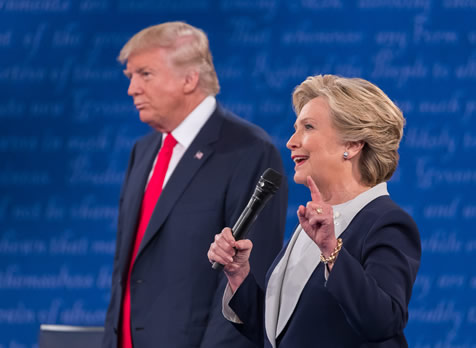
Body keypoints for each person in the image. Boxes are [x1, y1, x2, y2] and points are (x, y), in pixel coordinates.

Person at [102, 21, 288, 348]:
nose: (132, 89)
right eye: (130, 76)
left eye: (145, 74)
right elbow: (126, 273)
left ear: (190, 79)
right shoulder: (143, 152)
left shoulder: (249, 151)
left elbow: (248, 280)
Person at [208, 74, 421, 347]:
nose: (291, 141)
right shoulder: (313, 223)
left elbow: (383, 321)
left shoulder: (386, 222)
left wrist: (332, 251)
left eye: (308, 127)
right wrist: (239, 276)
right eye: (295, 128)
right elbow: (282, 334)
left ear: (353, 144)